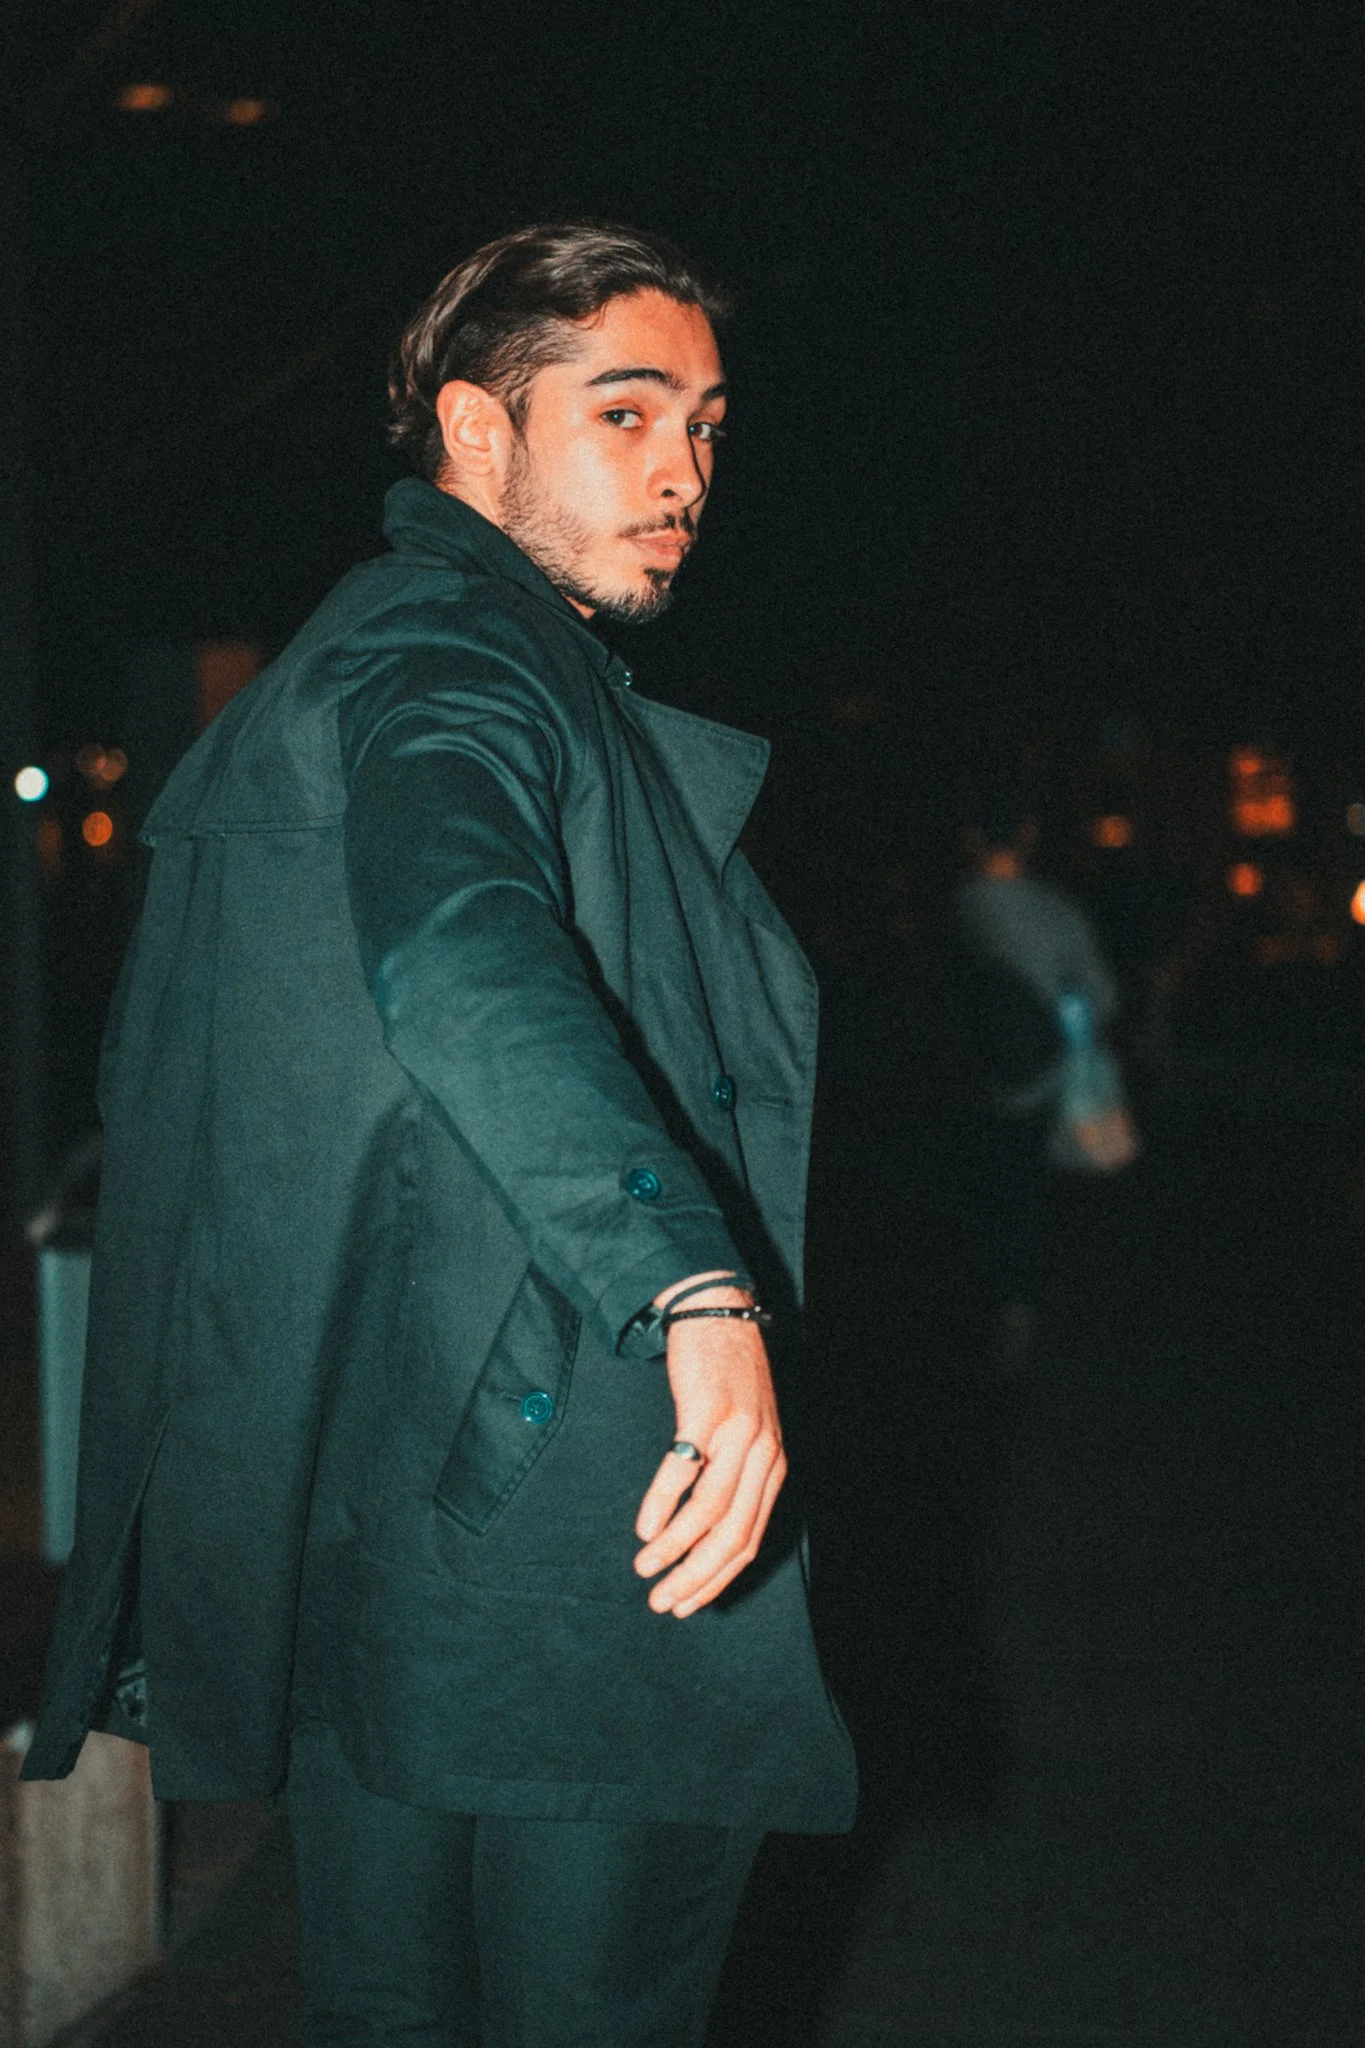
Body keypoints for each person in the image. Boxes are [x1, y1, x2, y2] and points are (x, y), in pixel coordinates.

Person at [23, 222, 856, 2047]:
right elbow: (465, 947)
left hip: (393, 1524)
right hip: (576, 1528)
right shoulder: (458, 659)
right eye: (624, 410)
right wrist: (692, 1284)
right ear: (477, 437)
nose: (683, 467)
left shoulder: (391, 651)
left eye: (707, 422)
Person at [946, 783, 1121, 1370]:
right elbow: (1100, 998)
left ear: (971, 839)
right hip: (1042, 1079)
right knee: (1030, 1195)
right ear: (1028, 835)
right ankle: (1021, 1307)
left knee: (980, 1193)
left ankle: (982, 1305)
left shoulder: (952, 911)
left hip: (968, 1080)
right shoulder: (1058, 911)